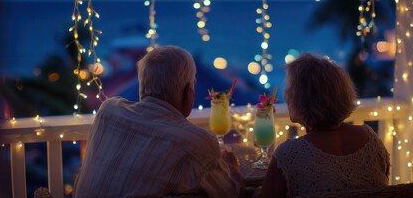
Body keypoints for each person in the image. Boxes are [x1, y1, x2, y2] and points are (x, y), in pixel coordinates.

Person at [73, 46, 243, 197]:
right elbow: (230, 193)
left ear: (142, 88)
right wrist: (231, 168)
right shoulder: (195, 142)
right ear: (188, 92)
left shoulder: (108, 111)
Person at [259, 53, 390, 197]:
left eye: (290, 88)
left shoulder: (288, 155)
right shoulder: (371, 140)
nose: (285, 93)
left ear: (302, 100)